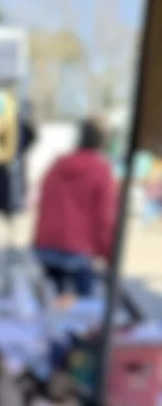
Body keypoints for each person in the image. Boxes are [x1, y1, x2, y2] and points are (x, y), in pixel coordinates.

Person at [34, 118, 117, 297]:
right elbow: (105, 218)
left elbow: (42, 205)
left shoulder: (56, 166)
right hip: (79, 251)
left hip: (47, 248)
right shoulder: (101, 170)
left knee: (51, 310)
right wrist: (109, 254)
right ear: (101, 142)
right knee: (81, 312)